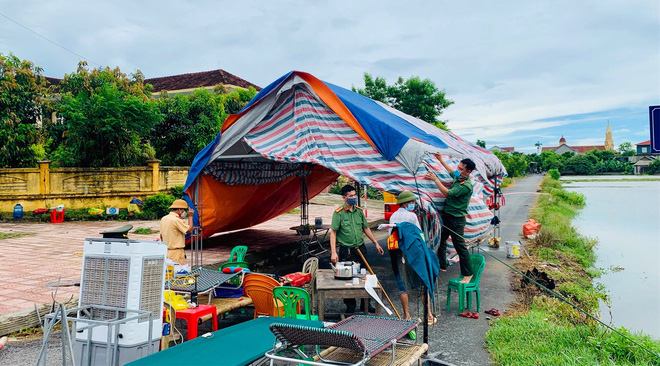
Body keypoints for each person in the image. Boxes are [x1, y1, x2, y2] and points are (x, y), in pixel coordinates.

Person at [330, 184, 384, 313]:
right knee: (347, 278)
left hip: (360, 248)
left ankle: (366, 303)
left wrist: (375, 242)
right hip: (346, 250)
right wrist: (333, 252)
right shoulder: (339, 213)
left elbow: (365, 228)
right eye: (351, 196)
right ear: (344, 198)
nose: (353, 198)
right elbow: (333, 232)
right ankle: (350, 305)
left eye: (354, 195)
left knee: (365, 275)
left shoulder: (359, 211)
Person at [425, 153, 475, 284]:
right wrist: (440, 159)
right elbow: (451, 171)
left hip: (456, 220)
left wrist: (435, 180)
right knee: (441, 240)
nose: (458, 171)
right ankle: (443, 265)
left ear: (468, 172)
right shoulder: (459, 178)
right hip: (448, 216)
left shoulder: (466, 186)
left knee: (460, 247)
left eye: (461, 169)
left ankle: (468, 273)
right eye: (458, 167)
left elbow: (447, 193)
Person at [388, 190, 436, 324]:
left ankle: (406, 316)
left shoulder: (393, 216)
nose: (413, 204)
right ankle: (429, 315)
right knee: (422, 282)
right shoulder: (412, 217)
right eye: (412, 202)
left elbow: (390, 235)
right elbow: (419, 235)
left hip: (397, 253)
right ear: (406, 203)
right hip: (413, 254)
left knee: (402, 285)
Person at [160, 199, 194, 264]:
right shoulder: (176, 220)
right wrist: (190, 216)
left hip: (167, 251)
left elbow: (161, 236)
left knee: (169, 272)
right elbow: (189, 230)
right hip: (176, 252)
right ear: (179, 209)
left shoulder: (164, 218)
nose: (184, 212)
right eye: (184, 210)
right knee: (177, 272)